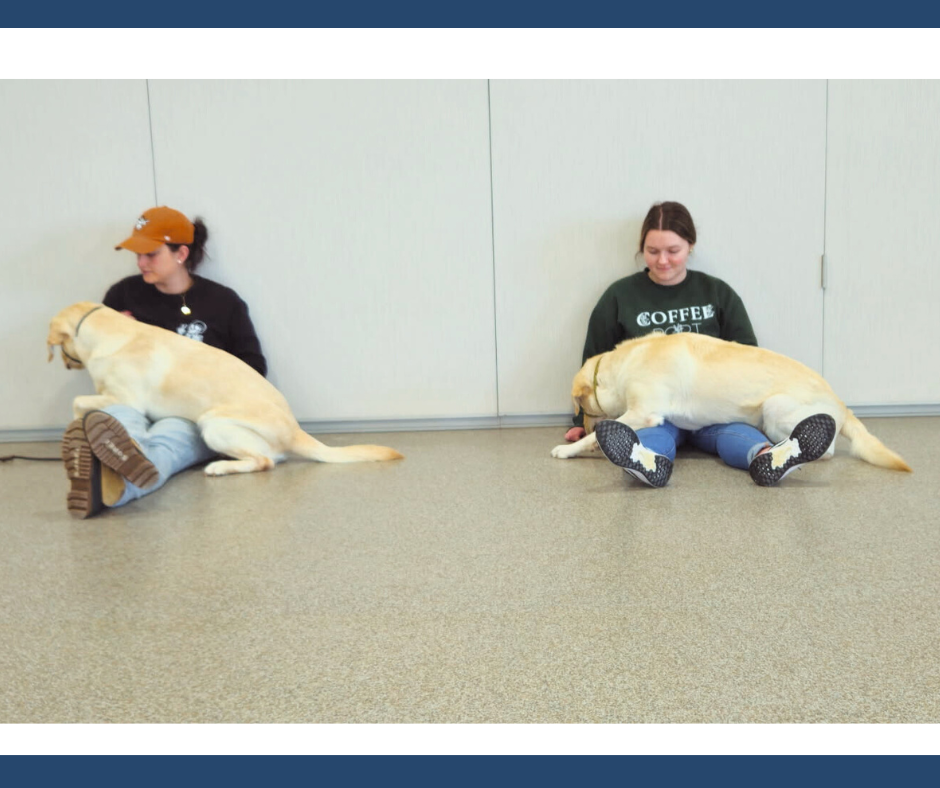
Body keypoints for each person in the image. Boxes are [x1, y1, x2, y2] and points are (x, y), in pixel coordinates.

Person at [565, 201, 835, 488]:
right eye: (652, 251)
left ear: (690, 246)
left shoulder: (717, 293)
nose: (662, 261)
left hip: (713, 410)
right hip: (658, 412)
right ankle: (645, 463)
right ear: (641, 248)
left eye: (673, 251)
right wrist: (582, 422)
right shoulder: (619, 297)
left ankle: (771, 456)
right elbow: (595, 370)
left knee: (734, 434)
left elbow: (748, 357)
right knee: (653, 432)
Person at [61, 206, 268, 518]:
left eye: (151, 254)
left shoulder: (223, 302)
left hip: (190, 412)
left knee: (169, 439)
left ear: (181, 253)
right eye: (137, 255)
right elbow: (94, 358)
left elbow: (253, 368)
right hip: (131, 399)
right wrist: (109, 336)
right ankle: (116, 457)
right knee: (116, 417)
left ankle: (108, 485)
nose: (141, 263)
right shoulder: (122, 295)